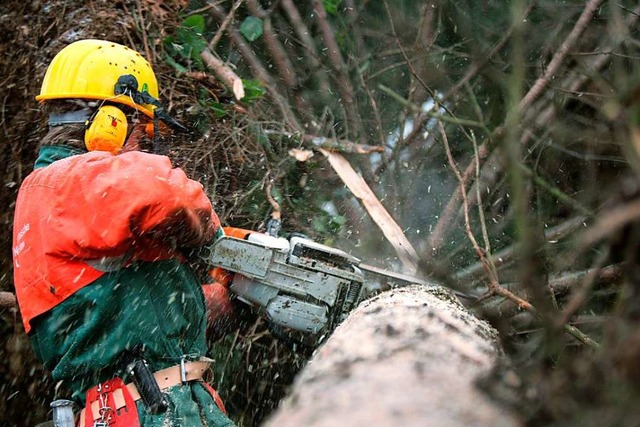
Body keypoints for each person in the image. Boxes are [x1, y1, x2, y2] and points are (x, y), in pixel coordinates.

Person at [12, 39, 236, 427]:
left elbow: (121, 312)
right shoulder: (67, 180)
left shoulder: (72, 199)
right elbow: (169, 195)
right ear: (110, 124)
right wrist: (216, 241)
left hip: (148, 405)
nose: (142, 144)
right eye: (140, 128)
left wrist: (223, 298)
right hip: (148, 409)